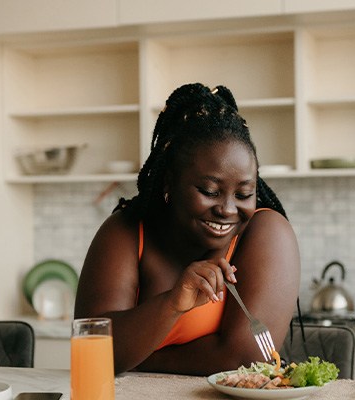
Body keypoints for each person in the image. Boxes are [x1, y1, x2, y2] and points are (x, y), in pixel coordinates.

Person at [74, 83, 300, 376]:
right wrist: (170, 305)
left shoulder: (267, 233)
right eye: (209, 190)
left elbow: (244, 360)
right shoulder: (126, 230)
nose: (228, 209)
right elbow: (92, 349)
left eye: (244, 194)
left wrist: (141, 358)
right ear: (169, 183)